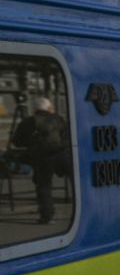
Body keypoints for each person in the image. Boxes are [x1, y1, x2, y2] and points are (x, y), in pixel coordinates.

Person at [8, 96, 70, 225]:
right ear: (49, 108)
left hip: (42, 157)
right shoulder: (58, 119)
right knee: (77, 179)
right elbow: (67, 136)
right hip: (61, 154)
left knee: (44, 186)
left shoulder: (27, 122)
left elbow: (17, 142)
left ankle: (47, 216)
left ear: (35, 110)